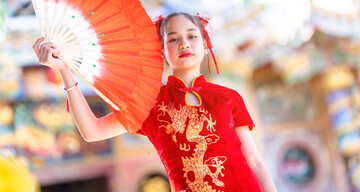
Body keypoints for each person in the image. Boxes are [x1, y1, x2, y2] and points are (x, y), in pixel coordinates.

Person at [33, 12, 277, 192]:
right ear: (161, 51)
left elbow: (254, 160)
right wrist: (65, 71)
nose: (184, 43)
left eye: (192, 36)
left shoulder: (228, 97)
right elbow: (92, 131)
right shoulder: (149, 101)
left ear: (205, 45)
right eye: (172, 39)